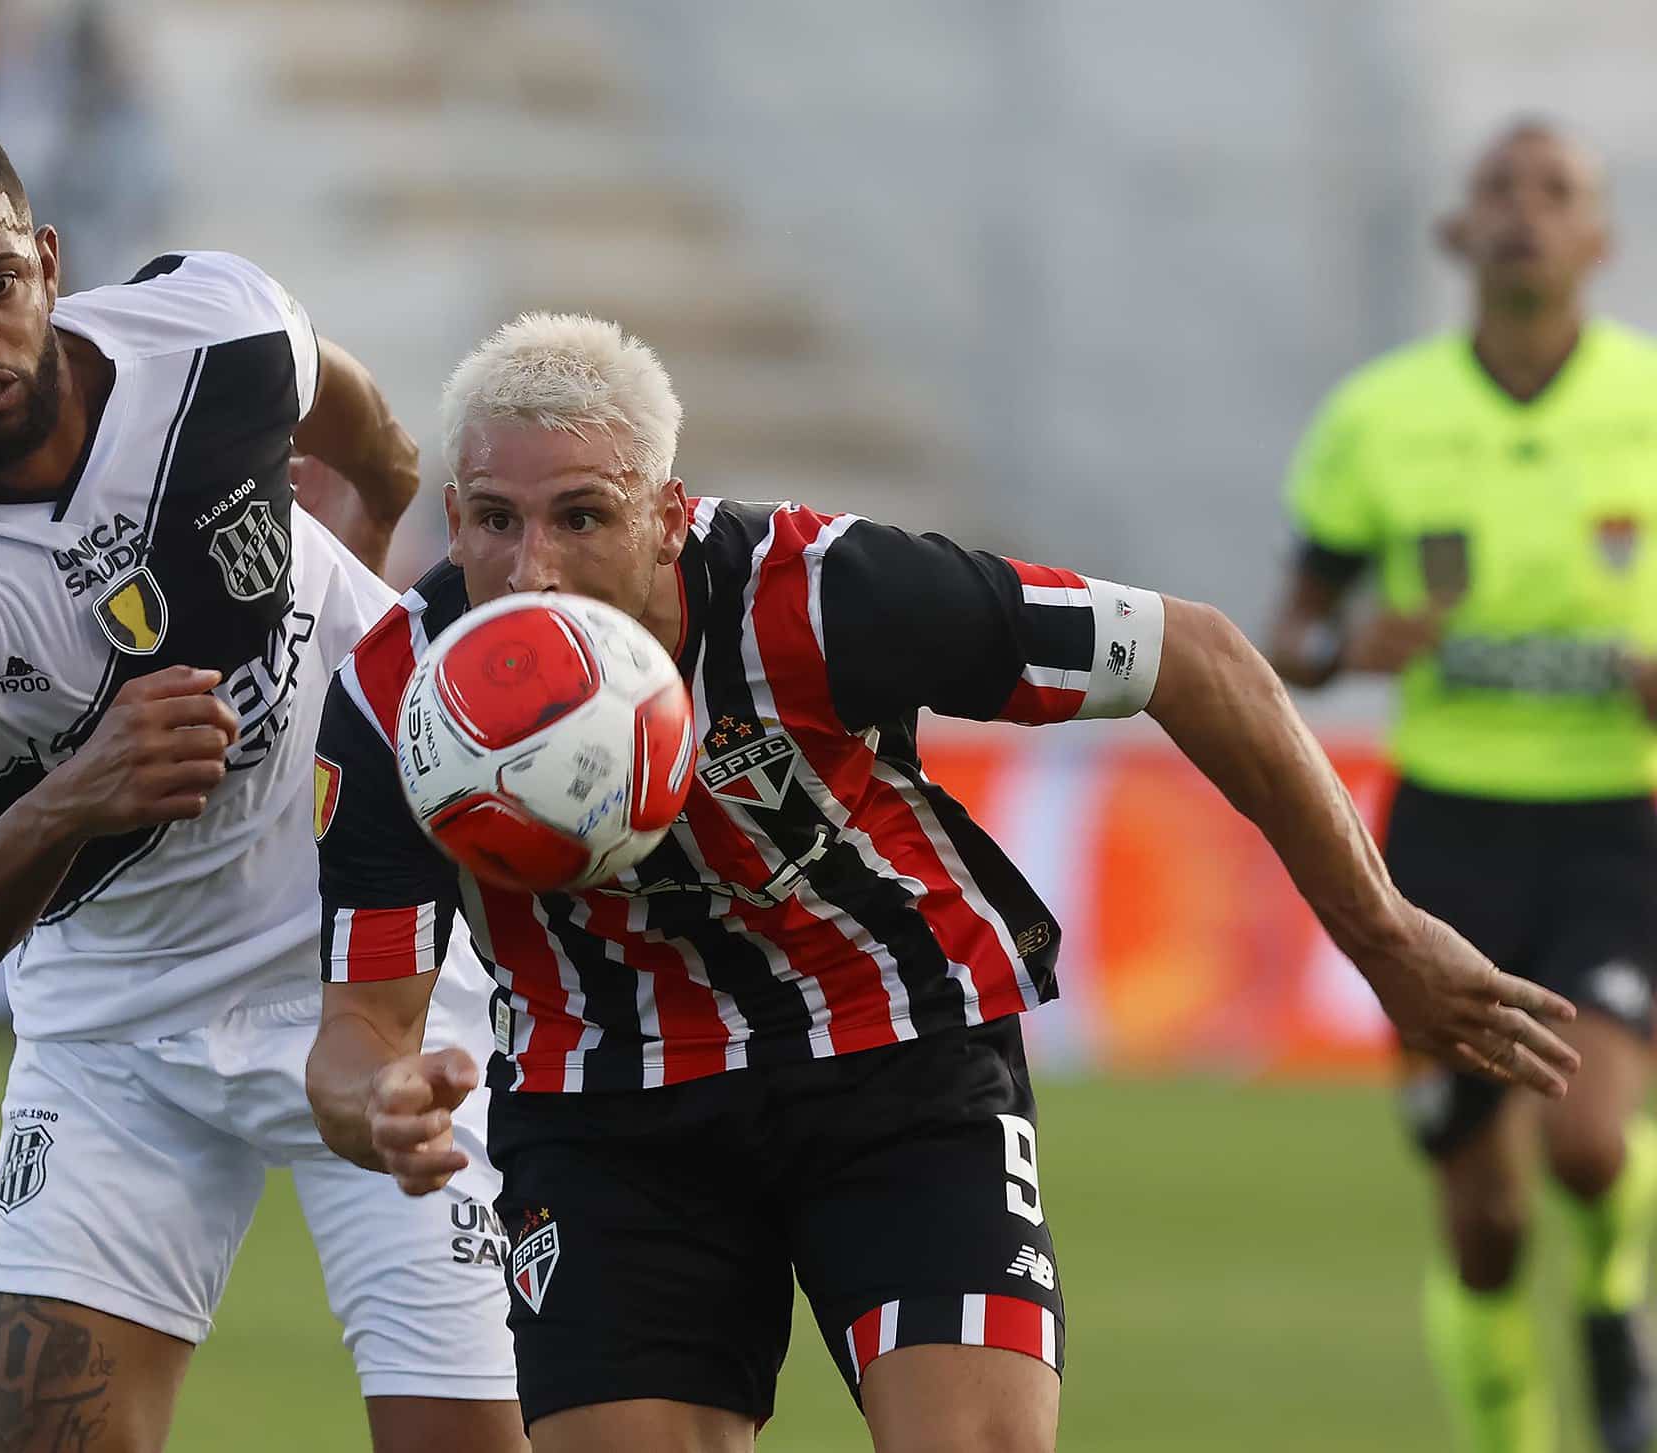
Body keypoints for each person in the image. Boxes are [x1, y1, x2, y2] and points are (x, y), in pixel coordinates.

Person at [304, 311, 1582, 1452]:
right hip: (606, 1109)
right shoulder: (392, 702)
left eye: (581, 517)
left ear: (668, 515)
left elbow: (1190, 653)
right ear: (452, 519)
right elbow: (357, 1034)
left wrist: (1382, 934)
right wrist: (380, 1106)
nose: (531, 568)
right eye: (495, 520)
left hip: (893, 1054)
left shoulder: (824, 593)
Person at [0, 112, 522, 1453]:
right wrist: (77, 793)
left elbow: (372, 442)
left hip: (382, 952)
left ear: (49, 263)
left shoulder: (218, 332)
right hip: (121, 1012)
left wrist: (363, 588)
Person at [1270, 118, 1657, 1453]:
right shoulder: (1379, 419)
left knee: (1589, 1143)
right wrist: (1342, 650)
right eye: (1498, 187)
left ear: (1598, 238)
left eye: (1555, 192)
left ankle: (1613, 1309)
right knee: (1483, 1223)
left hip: (1612, 825)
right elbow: (1286, 636)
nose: (1523, 211)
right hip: (1441, 839)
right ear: (1456, 231)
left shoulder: (1646, 403)